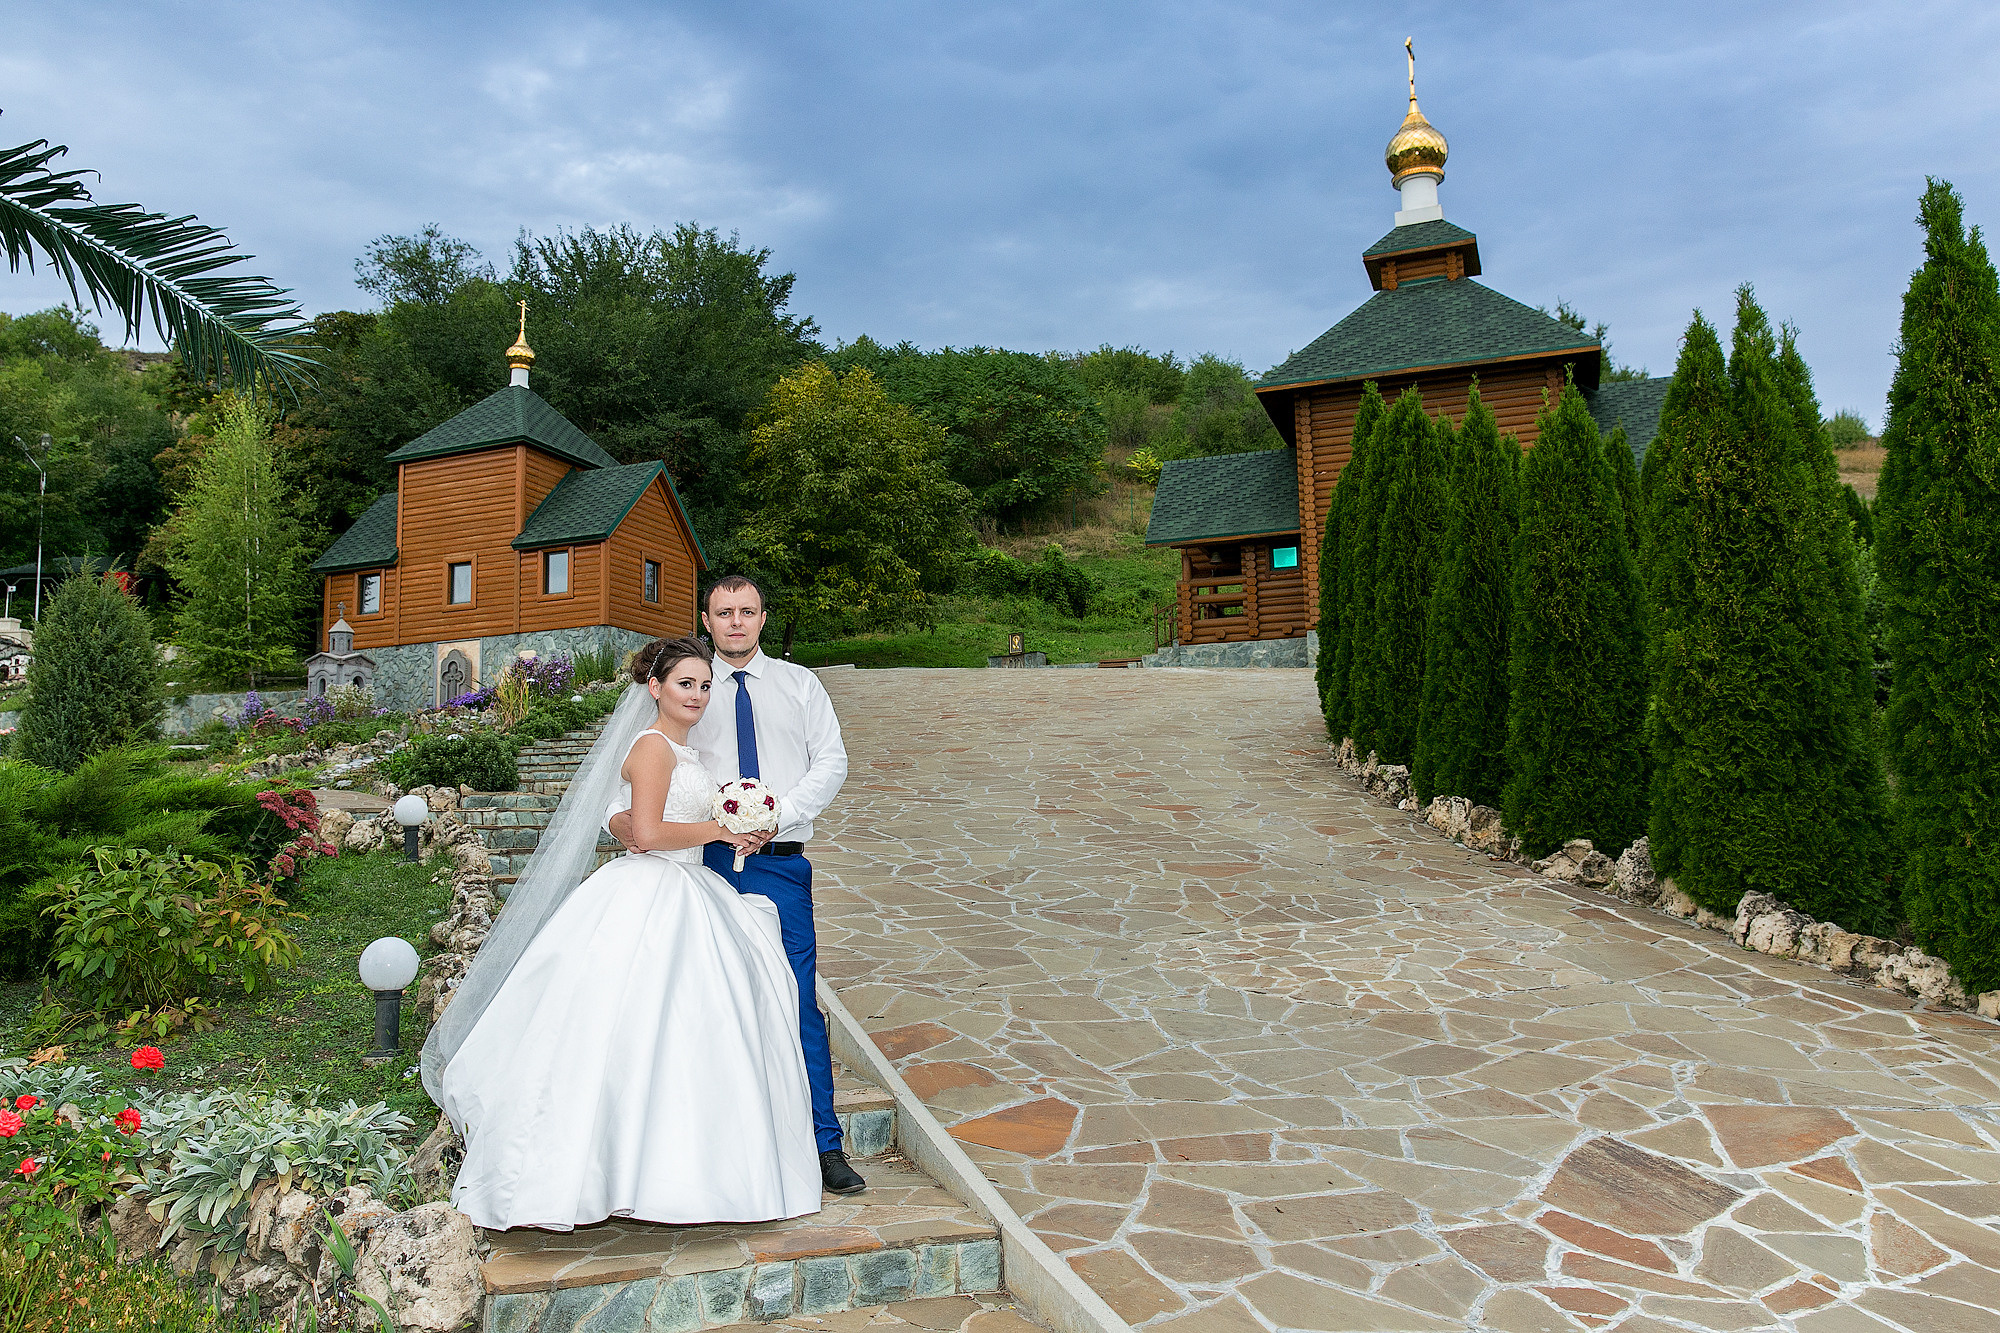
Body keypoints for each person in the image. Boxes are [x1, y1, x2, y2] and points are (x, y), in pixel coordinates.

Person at [423, 636, 820, 1231]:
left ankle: (666, 1171)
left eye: (706, 685)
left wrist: (736, 828)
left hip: (688, 889)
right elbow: (652, 833)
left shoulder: (686, 755)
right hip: (653, 888)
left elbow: (635, 818)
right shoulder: (654, 747)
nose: (698, 695)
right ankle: (613, 1172)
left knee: (682, 1032)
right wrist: (718, 829)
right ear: (655, 688)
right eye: (686, 684)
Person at [609, 575, 860, 1195]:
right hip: (702, 867)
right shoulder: (689, 690)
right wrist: (634, 824)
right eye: (724, 613)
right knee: (711, 1003)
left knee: (798, 998)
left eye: (747, 612)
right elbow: (639, 778)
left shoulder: (801, 686)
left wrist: (773, 815)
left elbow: (831, 761)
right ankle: (727, 1146)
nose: (736, 623)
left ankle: (823, 1143)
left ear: (763, 619)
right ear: (707, 618)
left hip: (779, 860)